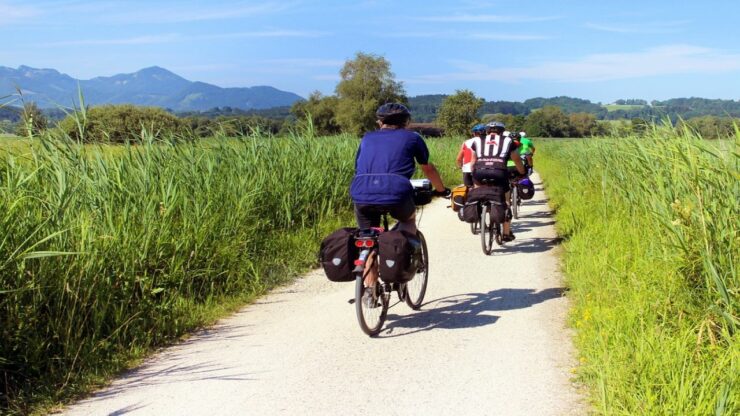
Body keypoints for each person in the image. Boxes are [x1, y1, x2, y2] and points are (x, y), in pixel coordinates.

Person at [350, 103, 449, 289]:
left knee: (367, 238)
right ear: (407, 121)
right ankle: (401, 259)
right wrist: (441, 190)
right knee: (408, 220)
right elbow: (428, 168)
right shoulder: (412, 138)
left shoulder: (367, 138)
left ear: (380, 122)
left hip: (361, 191)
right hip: (396, 191)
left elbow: (358, 167)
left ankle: (370, 291)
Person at [469, 121, 526, 242]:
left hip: (480, 172)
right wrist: (522, 172)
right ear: (502, 131)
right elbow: (516, 160)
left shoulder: (477, 140)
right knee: (506, 200)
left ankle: (482, 210)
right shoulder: (508, 141)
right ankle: (506, 233)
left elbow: (473, 162)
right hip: (499, 172)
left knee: (479, 192)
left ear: (487, 131)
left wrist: (473, 174)